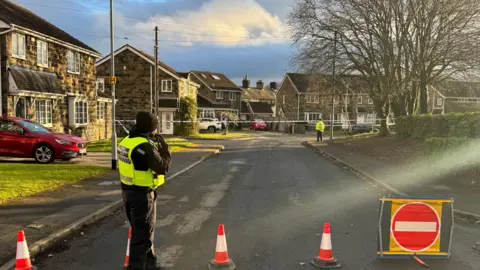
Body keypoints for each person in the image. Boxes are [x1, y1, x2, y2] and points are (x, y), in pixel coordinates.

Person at [118, 112, 172, 270]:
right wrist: (165, 149)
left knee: (144, 232)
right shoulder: (145, 147)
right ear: (151, 128)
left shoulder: (127, 140)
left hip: (128, 191)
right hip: (142, 195)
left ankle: (150, 265)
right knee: (142, 237)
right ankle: (136, 267)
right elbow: (163, 167)